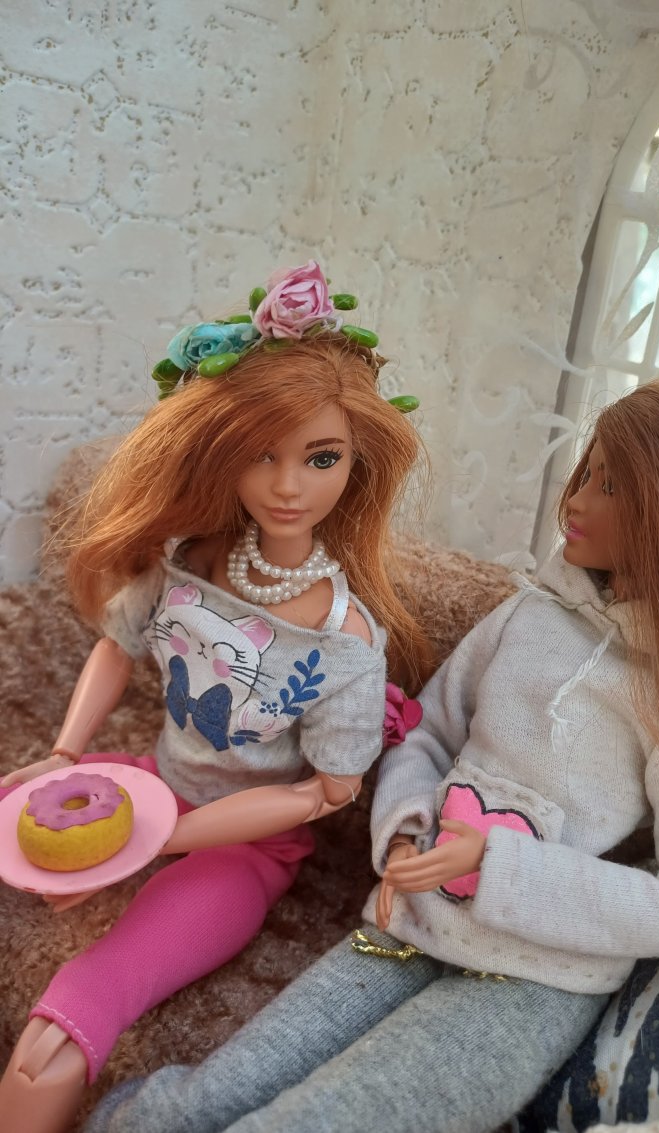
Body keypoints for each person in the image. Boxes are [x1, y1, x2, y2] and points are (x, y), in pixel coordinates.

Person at [84, 378, 659, 1133]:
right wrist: (404, 834)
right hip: (409, 922)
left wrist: (500, 866)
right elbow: (429, 734)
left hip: (534, 979)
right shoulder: (527, 616)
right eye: (588, 473)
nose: (577, 500)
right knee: (203, 1099)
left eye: (611, 487)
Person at [0, 260, 433, 1133]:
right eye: (260, 454)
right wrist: (64, 753)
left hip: (245, 846)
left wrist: (156, 842)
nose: (288, 485)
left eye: (320, 457)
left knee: (79, 1005)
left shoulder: (346, 643)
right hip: (151, 780)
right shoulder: (188, 562)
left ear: (357, 462)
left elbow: (323, 793)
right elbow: (116, 649)